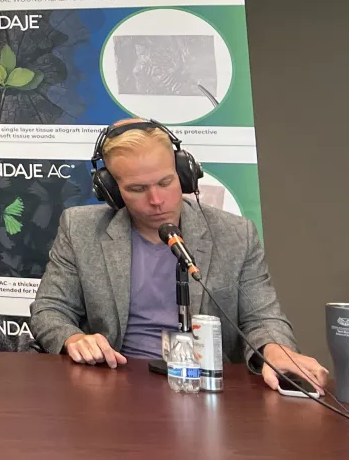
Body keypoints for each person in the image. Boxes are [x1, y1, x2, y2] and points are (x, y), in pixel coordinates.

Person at [30, 119, 329, 392]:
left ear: (185, 175)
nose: (156, 200)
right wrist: (74, 339)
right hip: (114, 385)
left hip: (206, 391)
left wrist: (274, 349)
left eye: (165, 182)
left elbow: (262, 317)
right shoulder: (80, 229)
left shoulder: (235, 234)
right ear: (111, 191)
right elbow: (49, 310)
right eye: (137, 189)